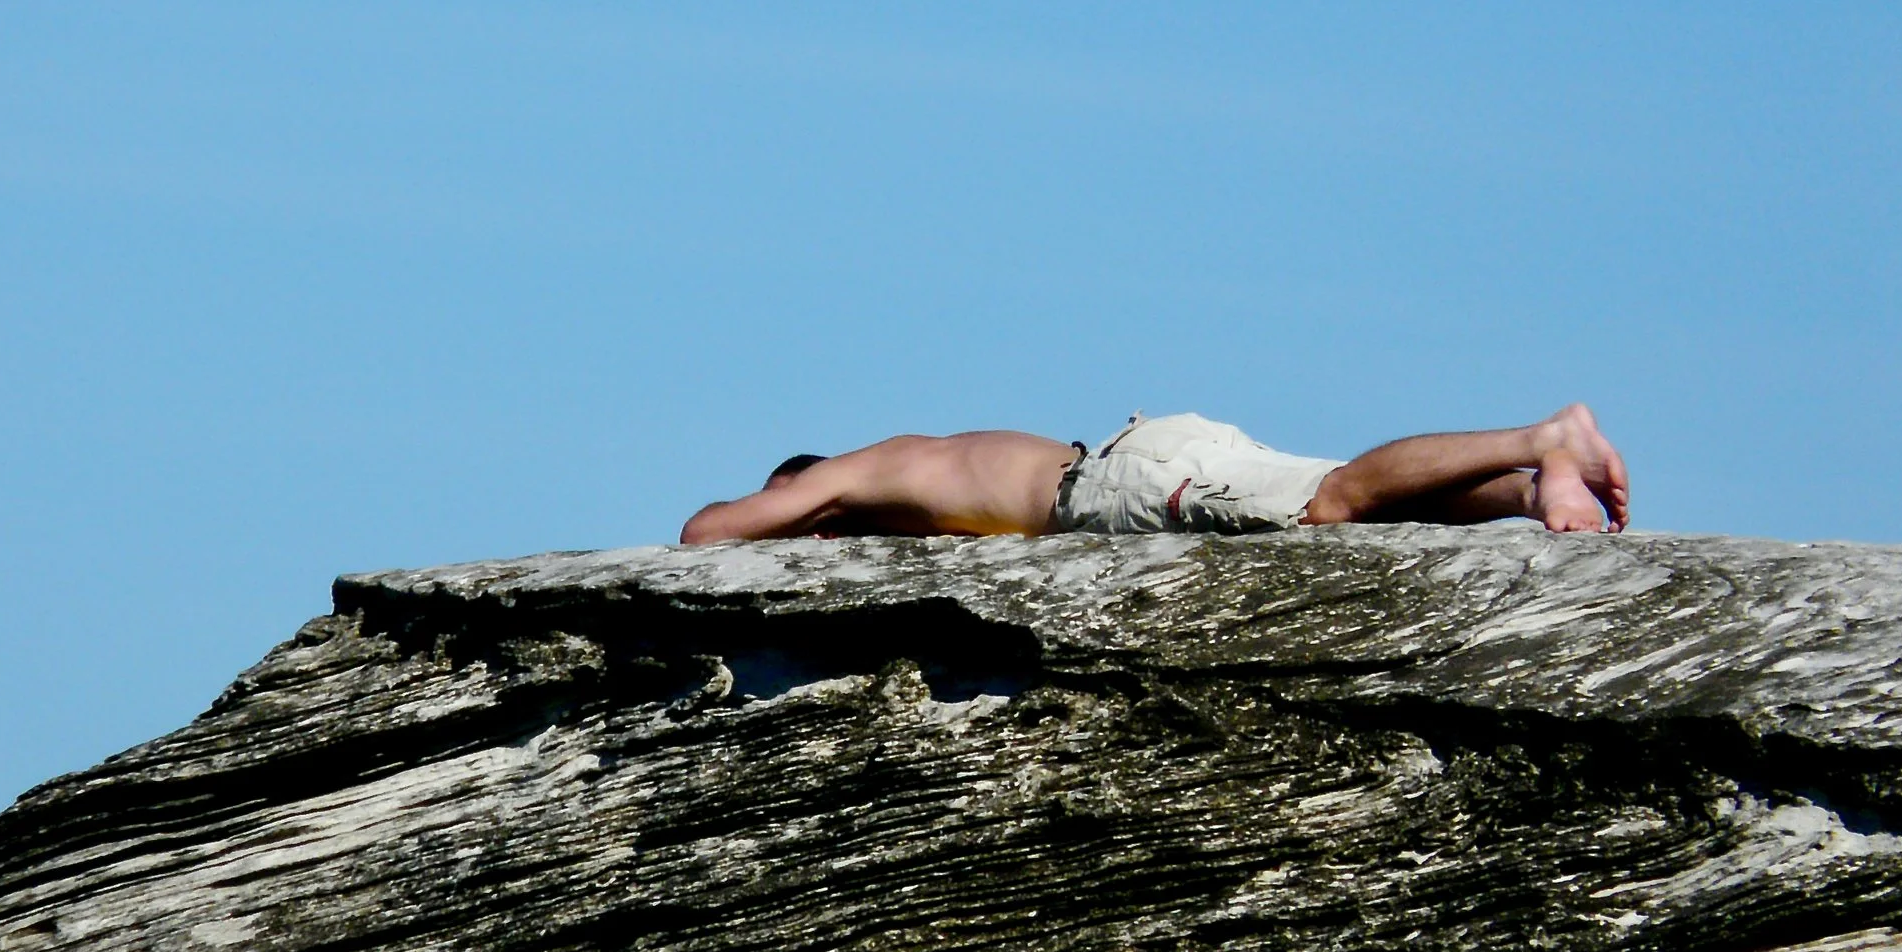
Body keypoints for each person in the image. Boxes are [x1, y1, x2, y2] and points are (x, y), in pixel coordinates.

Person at [678, 404, 1628, 544]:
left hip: (1111, 486)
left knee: (1333, 501)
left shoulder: (858, 473)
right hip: (1139, 458)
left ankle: (1541, 436)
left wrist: (773, 512)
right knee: (1368, 507)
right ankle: (1529, 488)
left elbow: (703, 532)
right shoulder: (913, 484)